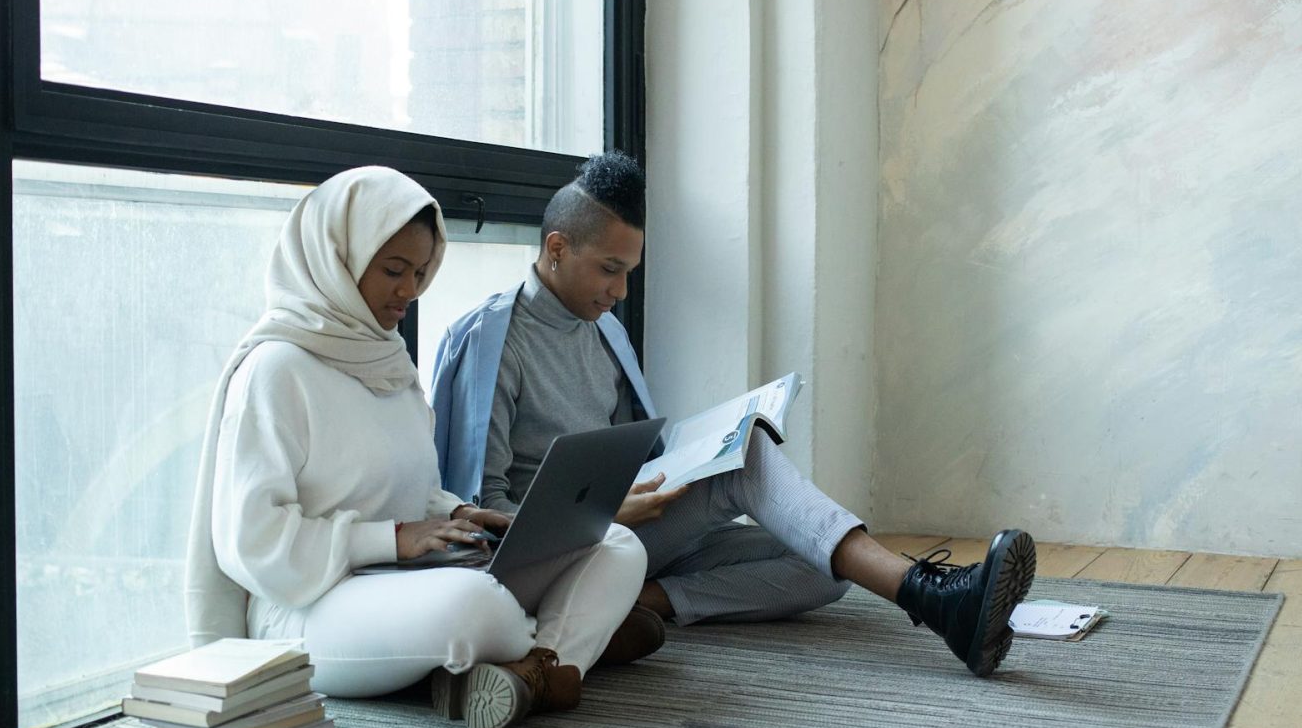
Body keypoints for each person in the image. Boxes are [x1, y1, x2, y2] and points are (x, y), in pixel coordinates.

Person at [431, 152, 1037, 677]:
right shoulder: (490, 341)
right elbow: (479, 520)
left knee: (822, 569)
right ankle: (932, 599)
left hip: (620, 537)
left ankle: (641, 603)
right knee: (751, 462)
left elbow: (633, 456)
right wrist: (612, 509)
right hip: (547, 560)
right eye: (609, 270)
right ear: (557, 248)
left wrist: (692, 457)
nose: (619, 291)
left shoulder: (603, 329)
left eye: (628, 274)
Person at [183, 166, 649, 728]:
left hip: (409, 579)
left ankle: (531, 672)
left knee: (617, 544)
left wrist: (455, 513)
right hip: (309, 606)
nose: (410, 291)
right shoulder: (276, 371)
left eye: (423, 272)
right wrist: (393, 539)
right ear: (337, 255)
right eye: (394, 271)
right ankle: (568, 644)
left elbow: (414, 486)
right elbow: (252, 542)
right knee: (475, 605)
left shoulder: (386, 361)